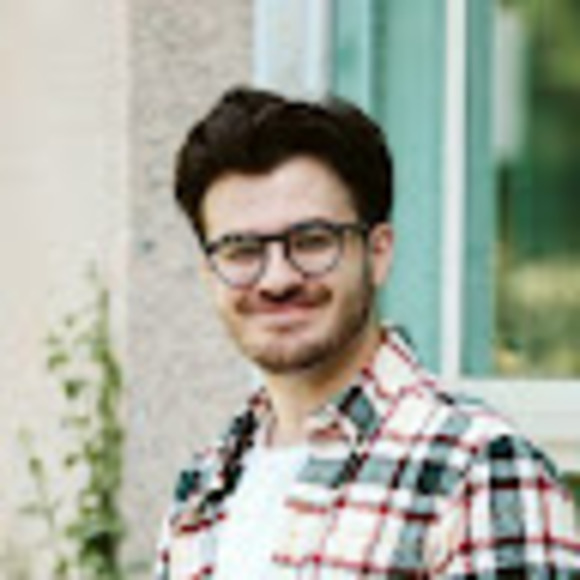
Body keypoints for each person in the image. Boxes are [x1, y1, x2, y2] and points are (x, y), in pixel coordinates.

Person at [155, 86, 580, 579]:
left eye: (311, 241)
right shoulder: (202, 486)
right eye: (241, 250)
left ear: (378, 254)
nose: (277, 279)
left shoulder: (477, 468)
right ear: (210, 274)